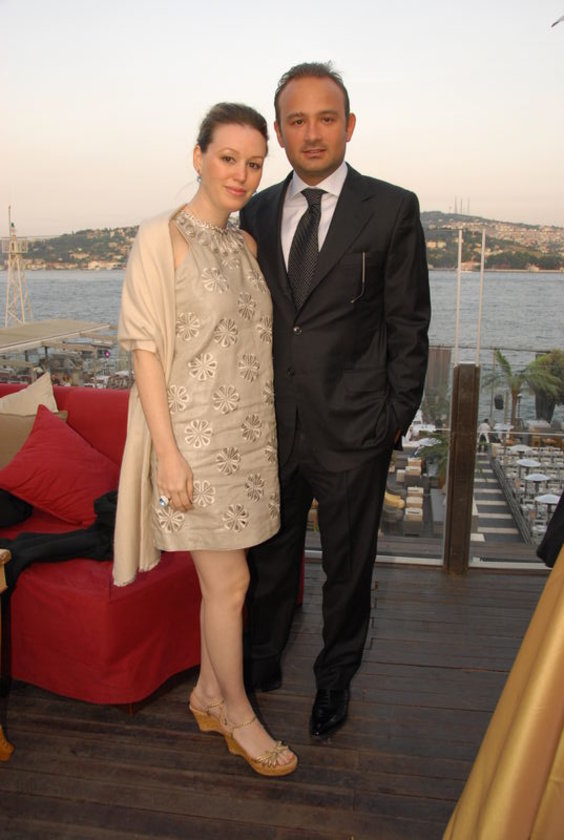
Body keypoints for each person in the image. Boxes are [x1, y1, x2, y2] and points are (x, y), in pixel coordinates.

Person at [240, 62, 430, 738]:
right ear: (279, 132)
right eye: (297, 120)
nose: (312, 133)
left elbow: (409, 324)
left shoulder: (392, 208)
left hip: (356, 430)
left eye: (326, 118)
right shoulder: (256, 210)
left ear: (349, 126)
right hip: (273, 427)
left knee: (349, 571)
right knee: (268, 560)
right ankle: (260, 664)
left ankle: (334, 682)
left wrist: (392, 420)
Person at [112, 103, 297, 777]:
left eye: (254, 163)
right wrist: (169, 455)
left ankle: (206, 693)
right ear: (198, 157)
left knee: (223, 586)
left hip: (250, 438)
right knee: (232, 584)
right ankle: (238, 715)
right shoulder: (160, 237)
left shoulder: (246, 246)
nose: (241, 174)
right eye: (228, 158)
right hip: (194, 441)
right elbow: (145, 352)